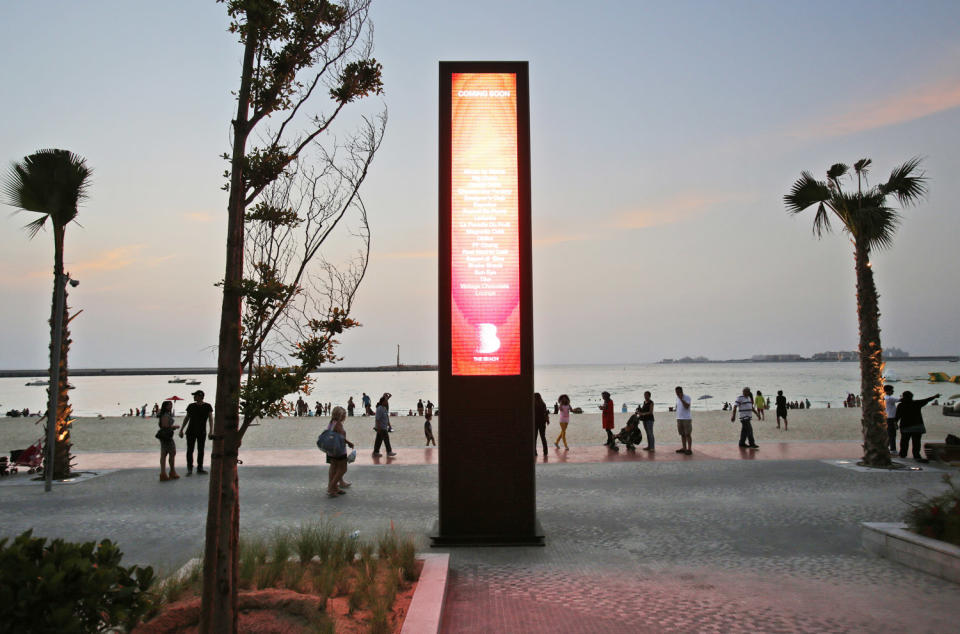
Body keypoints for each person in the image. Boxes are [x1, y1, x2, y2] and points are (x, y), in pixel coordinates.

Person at [895, 391, 939, 463]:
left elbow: (897, 416)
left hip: (905, 426)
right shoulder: (916, 403)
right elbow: (926, 400)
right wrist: (934, 397)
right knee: (916, 442)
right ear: (911, 397)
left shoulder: (901, 405)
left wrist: (895, 423)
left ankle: (903, 454)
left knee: (904, 441)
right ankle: (916, 455)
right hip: (917, 426)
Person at [179, 390, 214, 476]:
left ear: (200, 396)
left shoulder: (207, 406)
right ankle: (189, 469)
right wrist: (181, 429)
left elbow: (210, 419)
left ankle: (200, 468)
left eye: (195, 395)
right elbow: (187, 418)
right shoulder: (191, 406)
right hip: (190, 431)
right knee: (190, 450)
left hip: (202, 432)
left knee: (201, 450)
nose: (194, 397)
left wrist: (211, 431)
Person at [325, 406, 354, 497]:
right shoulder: (338, 424)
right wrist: (349, 443)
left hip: (331, 450)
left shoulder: (331, 423)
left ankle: (334, 487)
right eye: (344, 414)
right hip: (339, 450)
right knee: (343, 469)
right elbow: (341, 437)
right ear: (340, 415)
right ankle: (331, 487)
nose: (345, 416)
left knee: (334, 468)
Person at [156, 400, 180, 481]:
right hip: (167, 436)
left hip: (164, 436)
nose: (171, 406)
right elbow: (165, 426)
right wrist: (174, 427)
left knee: (164, 453)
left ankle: (165, 473)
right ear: (165, 406)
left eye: (171, 405)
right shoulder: (165, 415)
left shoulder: (163, 414)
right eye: (169, 405)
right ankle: (170, 472)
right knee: (171, 453)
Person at [675, 386, 692, 455]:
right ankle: (684, 448)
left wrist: (681, 399)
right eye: (676, 392)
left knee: (688, 434)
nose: (677, 394)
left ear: (681, 391)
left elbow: (687, 406)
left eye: (678, 392)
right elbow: (677, 407)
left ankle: (689, 449)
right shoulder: (677, 398)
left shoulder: (687, 397)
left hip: (686, 418)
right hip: (679, 418)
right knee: (682, 434)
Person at [883, 385, 900, 454]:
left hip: (887, 417)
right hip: (891, 418)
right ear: (888, 391)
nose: (893, 391)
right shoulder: (890, 398)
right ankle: (893, 449)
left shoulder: (885, 397)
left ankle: (886, 447)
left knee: (888, 434)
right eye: (892, 390)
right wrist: (902, 396)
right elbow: (899, 400)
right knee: (892, 434)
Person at [534, 392, 549, 456]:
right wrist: (547, 420)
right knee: (543, 437)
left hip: (535, 423)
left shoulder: (533, 404)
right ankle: (545, 451)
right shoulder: (543, 404)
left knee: (534, 438)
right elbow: (545, 413)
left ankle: (534, 452)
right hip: (542, 423)